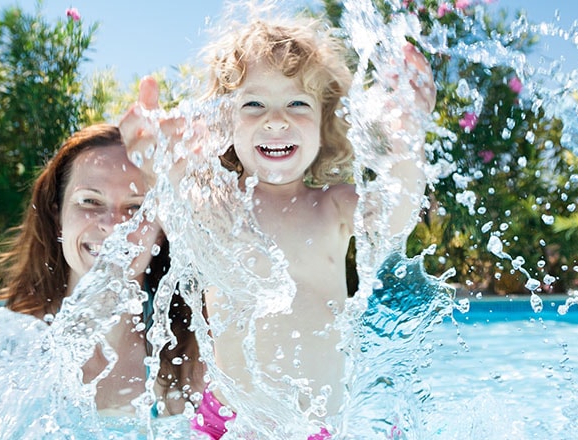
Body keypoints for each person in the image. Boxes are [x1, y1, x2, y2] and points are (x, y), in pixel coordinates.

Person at [120, 16, 435, 438]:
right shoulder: (218, 204)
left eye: (297, 104)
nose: (276, 120)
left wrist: (407, 142)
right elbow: (168, 191)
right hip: (229, 423)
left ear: (325, 122)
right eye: (253, 104)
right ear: (223, 121)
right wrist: (150, 152)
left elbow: (396, 216)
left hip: (314, 426)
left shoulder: (333, 206)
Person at [0, 123, 202, 438]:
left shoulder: (191, 351)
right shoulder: (3, 352)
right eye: (90, 201)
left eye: (135, 206)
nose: (112, 225)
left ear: (162, 224)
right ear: (57, 215)